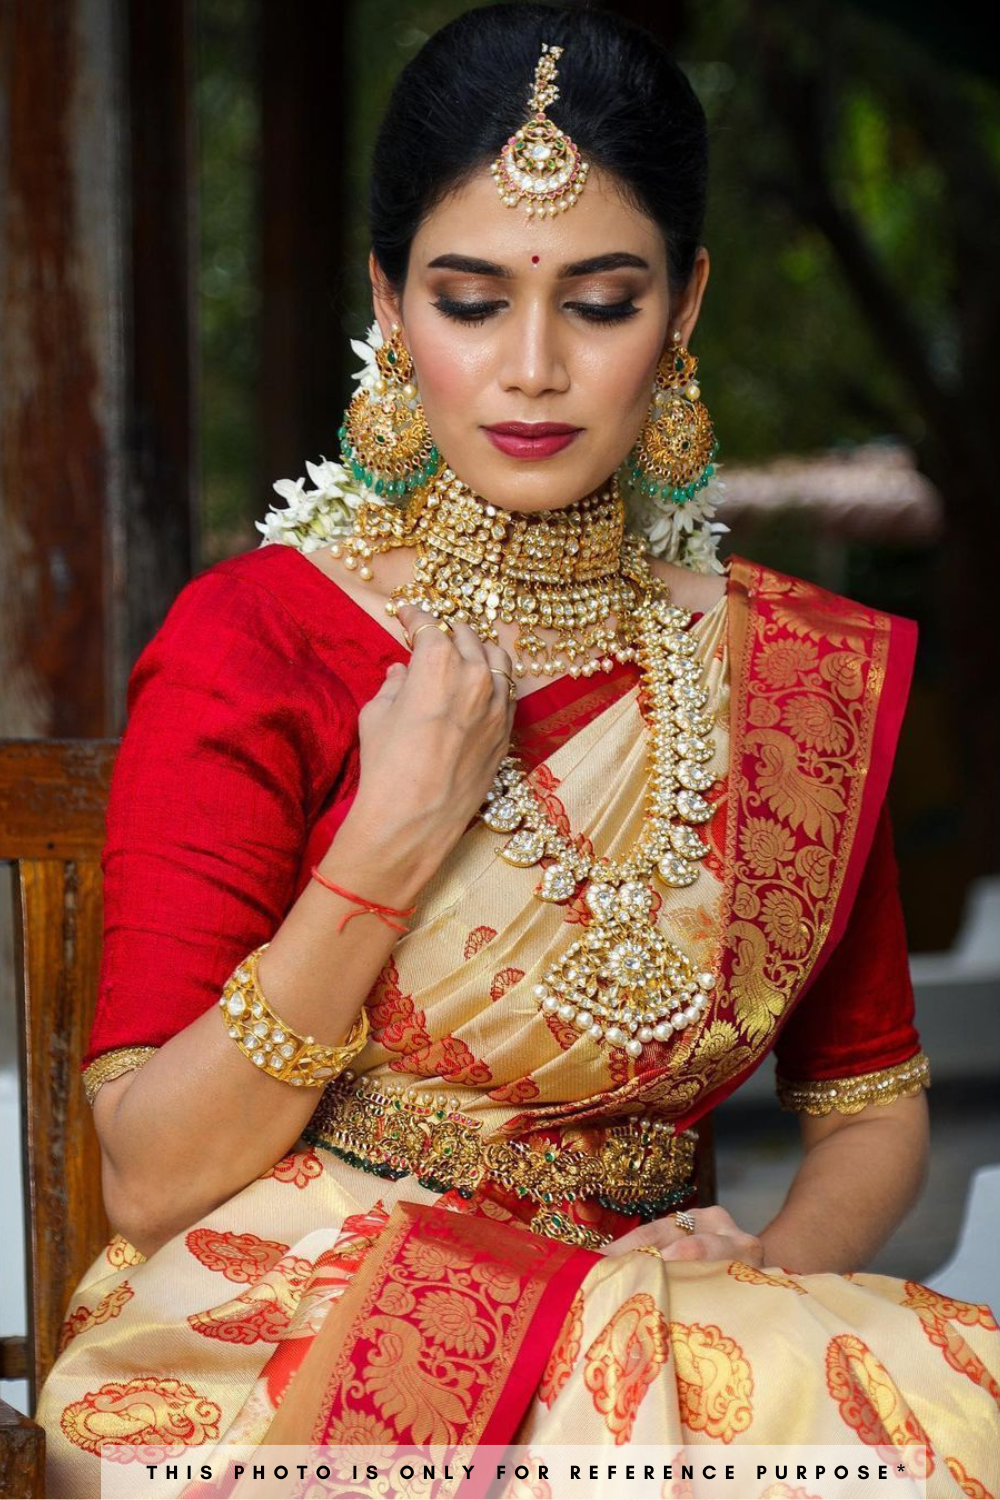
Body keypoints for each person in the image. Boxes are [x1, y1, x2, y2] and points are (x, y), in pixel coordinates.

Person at [34, 7, 999, 1497]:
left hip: (662, 1335)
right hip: (292, 1318)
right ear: (390, 303)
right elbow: (155, 1176)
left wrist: (770, 1273)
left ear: (684, 307)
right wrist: (387, 844)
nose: (533, 367)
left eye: (601, 302)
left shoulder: (787, 675)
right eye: (470, 300)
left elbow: (871, 1107)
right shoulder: (259, 642)